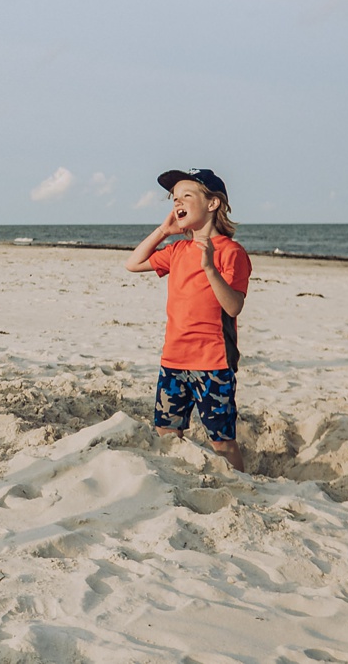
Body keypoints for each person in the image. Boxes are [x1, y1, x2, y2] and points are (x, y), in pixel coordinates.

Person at [125, 168, 251, 471]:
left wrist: (209, 267)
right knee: (167, 432)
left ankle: (241, 485)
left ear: (212, 203)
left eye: (186, 196)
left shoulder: (231, 252)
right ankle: (180, 475)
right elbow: (133, 263)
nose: (177, 203)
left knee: (221, 440)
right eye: (174, 198)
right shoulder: (177, 249)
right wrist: (163, 231)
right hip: (173, 358)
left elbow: (233, 307)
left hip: (213, 362)